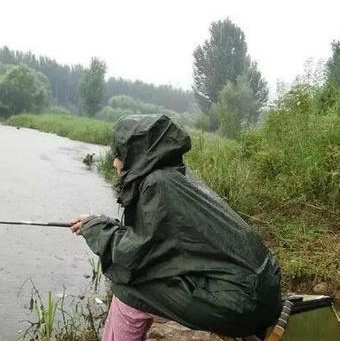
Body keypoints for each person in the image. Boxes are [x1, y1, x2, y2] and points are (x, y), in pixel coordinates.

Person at [70, 114, 281, 340]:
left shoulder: (157, 184)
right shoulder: (174, 176)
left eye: (118, 154)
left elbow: (132, 255)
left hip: (243, 302)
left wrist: (94, 227)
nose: (114, 162)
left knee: (128, 289)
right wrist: (99, 222)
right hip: (261, 290)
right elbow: (152, 239)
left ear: (136, 154)